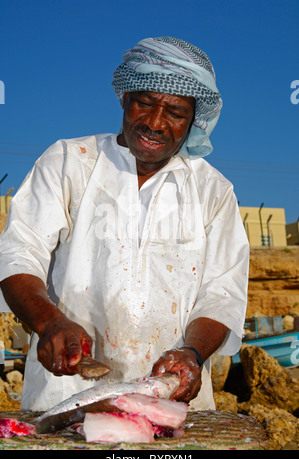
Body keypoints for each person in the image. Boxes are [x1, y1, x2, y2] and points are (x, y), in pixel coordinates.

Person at [0, 37, 249, 411]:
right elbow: (19, 252)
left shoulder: (213, 190)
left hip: (171, 400)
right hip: (64, 397)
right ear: (125, 98)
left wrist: (191, 354)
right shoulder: (69, 161)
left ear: (195, 121)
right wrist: (49, 322)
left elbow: (222, 294)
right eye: (144, 103)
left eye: (175, 113)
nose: (154, 122)